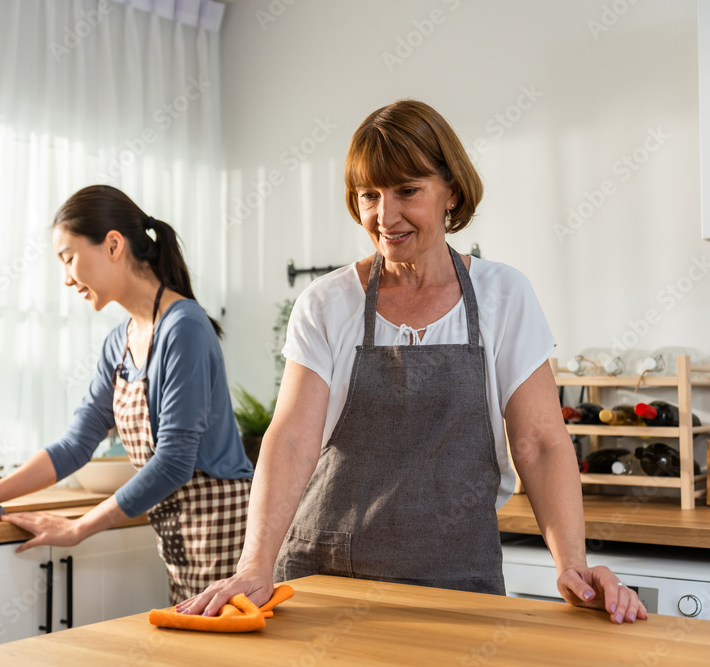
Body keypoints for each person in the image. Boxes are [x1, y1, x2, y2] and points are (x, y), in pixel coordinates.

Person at [178, 100, 646, 624]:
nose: (385, 214)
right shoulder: (327, 303)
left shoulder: (503, 296)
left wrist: (572, 565)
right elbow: (290, 440)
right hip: (326, 582)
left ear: (451, 190)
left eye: (407, 190)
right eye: (369, 195)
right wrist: (253, 564)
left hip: (459, 587)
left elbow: (538, 443)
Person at [0, 185, 253, 604]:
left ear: (112, 245)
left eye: (68, 259)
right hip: (180, 535)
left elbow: (175, 462)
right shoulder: (118, 345)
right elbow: (75, 445)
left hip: (225, 529)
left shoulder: (185, 328)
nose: (67, 279)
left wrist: (77, 528)